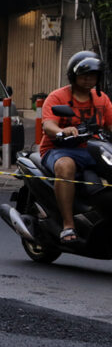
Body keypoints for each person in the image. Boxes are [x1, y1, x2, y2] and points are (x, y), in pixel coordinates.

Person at [38, 51, 112, 244]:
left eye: (93, 76)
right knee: (66, 166)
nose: (89, 80)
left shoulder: (101, 99)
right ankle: (68, 225)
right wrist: (63, 130)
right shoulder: (57, 97)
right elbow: (48, 125)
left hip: (93, 150)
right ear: (73, 76)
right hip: (58, 150)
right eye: (84, 76)